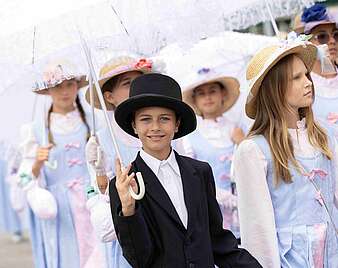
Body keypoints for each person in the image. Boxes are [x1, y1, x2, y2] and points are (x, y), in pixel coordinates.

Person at [109, 73, 262, 267]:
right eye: (146, 119)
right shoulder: (125, 184)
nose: (155, 127)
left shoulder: (200, 172)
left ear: (177, 124)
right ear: (134, 125)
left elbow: (218, 241)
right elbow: (139, 259)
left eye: (164, 118)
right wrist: (128, 210)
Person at [233, 37, 338, 267]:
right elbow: (257, 230)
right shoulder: (254, 150)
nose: (308, 82)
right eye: (296, 78)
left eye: (306, 74)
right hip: (291, 260)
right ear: (275, 88)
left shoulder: (324, 136)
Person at [19, 59, 104, 268]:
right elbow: (24, 177)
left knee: (98, 255)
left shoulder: (93, 123)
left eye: (69, 84)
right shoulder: (35, 130)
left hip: (93, 200)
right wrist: (38, 162)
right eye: (57, 86)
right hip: (60, 209)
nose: (64, 91)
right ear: (48, 90)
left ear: (77, 86)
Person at [85, 55, 152, 268]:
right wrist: (100, 171)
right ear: (109, 96)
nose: (135, 88)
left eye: (138, 81)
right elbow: (99, 191)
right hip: (128, 232)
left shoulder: (157, 129)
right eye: (127, 84)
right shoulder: (100, 141)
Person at [181, 66, 248, 237]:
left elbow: (251, 167)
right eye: (201, 94)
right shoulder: (189, 136)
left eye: (213, 91)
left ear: (223, 94)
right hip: (208, 209)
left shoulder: (237, 130)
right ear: (194, 101)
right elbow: (190, 176)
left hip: (241, 209)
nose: (208, 97)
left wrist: (242, 143)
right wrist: (219, 195)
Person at [296, 4, 338, 138]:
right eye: (322, 37)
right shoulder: (303, 84)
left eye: (336, 35)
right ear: (308, 43)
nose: (332, 41)